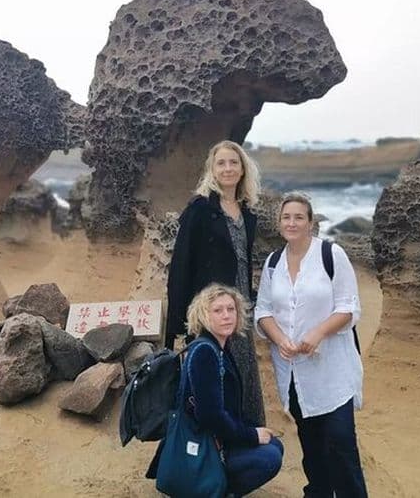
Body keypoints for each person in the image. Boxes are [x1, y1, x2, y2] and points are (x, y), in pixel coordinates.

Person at [255, 192, 368, 498]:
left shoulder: (331, 255)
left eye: (298, 217)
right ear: (279, 223)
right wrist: (280, 339)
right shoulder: (273, 262)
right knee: (312, 444)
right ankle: (318, 492)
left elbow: (349, 307)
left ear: (310, 222)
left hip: (332, 369)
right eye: (286, 217)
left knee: (341, 441)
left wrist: (318, 333)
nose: (292, 223)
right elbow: (263, 311)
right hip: (294, 372)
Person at [166, 140, 266, 426]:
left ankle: (248, 431)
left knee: (243, 369)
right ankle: (219, 441)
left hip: (240, 305)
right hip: (211, 306)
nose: (228, 168)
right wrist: (179, 323)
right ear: (212, 169)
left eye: (234, 162)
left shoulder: (247, 212)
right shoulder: (199, 209)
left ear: (243, 169)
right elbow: (181, 266)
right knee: (215, 376)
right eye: (221, 163)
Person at [150, 284, 283, 497]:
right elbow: (209, 416)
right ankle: (216, 491)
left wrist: (252, 432)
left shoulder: (218, 348)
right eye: (218, 310)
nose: (226, 315)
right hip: (202, 443)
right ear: (204, 316)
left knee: (275, 446)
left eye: (231, 309)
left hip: (216, 438)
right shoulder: (205, 352)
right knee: (269, 457)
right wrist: (251, 435)